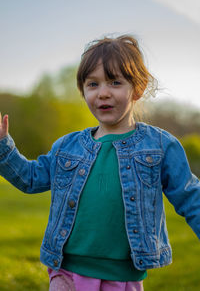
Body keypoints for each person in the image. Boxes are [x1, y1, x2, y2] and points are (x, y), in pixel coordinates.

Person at [0, 34, 199, 291]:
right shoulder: (67, 147)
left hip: (121, 276)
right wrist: (3, 146)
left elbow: (191, 196)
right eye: (92, 84)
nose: (103, 93)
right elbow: (30, 178)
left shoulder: (160, 146)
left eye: (115, 82)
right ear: (83, 91)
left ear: (137, 88)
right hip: (66, 273)